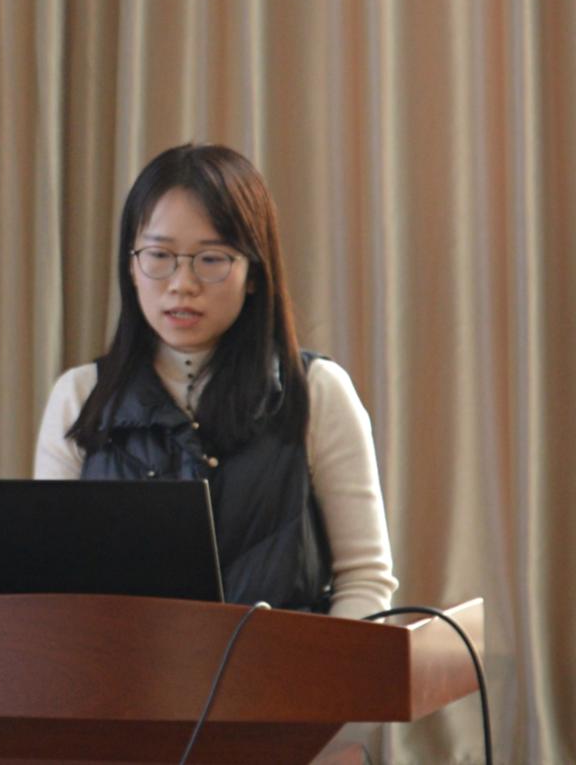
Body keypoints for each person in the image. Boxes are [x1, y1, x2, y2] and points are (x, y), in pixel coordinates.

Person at [34, 143, 396, 618]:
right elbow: (52, 588)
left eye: (211, 259)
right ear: (131, 266)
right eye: (159, 255)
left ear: (253, 273)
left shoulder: (316, 391)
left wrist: (322, 665)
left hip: (284, 663)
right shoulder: (81, 396)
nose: (181, 284)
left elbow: (365, 580)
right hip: (121, 665)